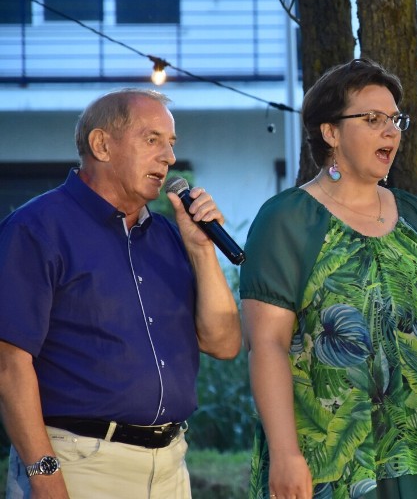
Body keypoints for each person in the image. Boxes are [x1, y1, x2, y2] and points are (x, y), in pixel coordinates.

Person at [239, 58, 417, 499]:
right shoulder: (287, 219)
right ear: (330, 132)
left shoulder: (415, 215)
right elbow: (267, 345)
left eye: (395, 119)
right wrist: (284, 453)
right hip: (330, 465)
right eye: (372, 119)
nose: (391, 131)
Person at [0, 88, 242, 499]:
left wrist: (202, 250)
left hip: (170, 465)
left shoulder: (168, 236)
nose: (168, 157)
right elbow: (8, 364)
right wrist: (44, 475)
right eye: (152, 140)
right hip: (80, 464)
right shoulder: (36, 229)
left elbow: (224, 343)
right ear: (101, 145)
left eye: (171, 144)